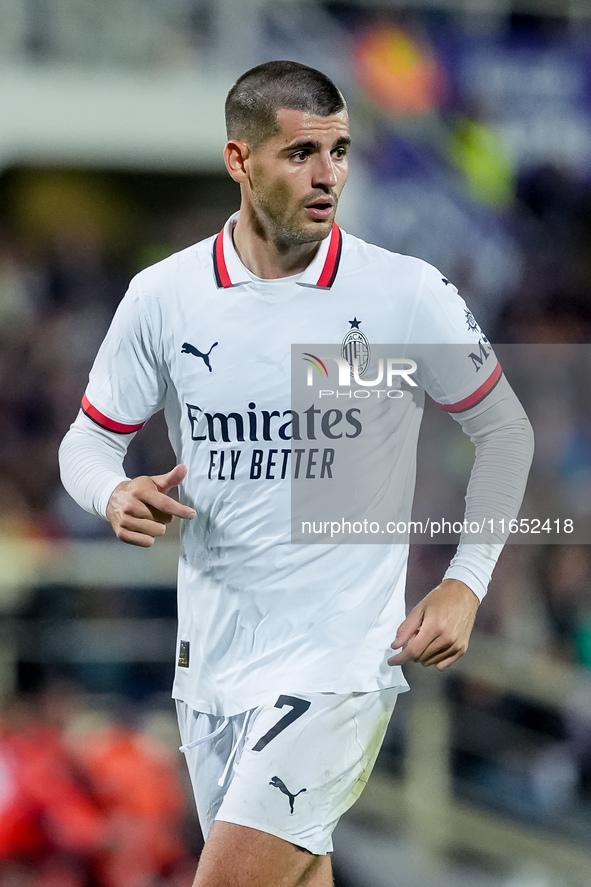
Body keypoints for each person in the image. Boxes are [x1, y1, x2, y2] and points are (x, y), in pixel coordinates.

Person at [59, 61, 534, 887]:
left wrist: (466, 581)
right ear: (239, 160)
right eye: (301, 154)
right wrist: (111, 490)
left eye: (341, 151)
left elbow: (505, 431)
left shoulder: (403, 293)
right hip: (210, 663)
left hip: (338, 661)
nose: (328, 177)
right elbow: (85, 443)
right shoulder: (164, 297)